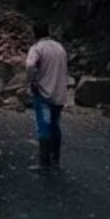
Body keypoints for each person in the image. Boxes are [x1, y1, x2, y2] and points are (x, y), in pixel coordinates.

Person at [26, 22, 69, 174]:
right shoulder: (60, 47)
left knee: (43, 126)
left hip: (44, 93)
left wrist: (32, 82)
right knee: (55, 125)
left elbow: (30, 65)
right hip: (60, 93)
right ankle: (55, 160)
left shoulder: (37, 48)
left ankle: (43, 164)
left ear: (35, 34)